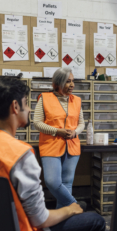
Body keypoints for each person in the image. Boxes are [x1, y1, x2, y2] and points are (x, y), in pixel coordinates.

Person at [0, 77, 105, 231]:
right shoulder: (21, 153)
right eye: (26, 104)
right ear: (15, 107)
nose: (29, 110)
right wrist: (69, 209)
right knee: (96, 221)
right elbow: (40, 219)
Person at [34, 67, 85, 209]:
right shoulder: (44, 98)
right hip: (50, 144)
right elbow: (37, 123)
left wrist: (75, 132)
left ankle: (65, 220)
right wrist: (57, 131)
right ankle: (75, 206)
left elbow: (81, 123)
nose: (72, 85)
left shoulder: (77, 100)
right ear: (58, 83)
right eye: (68, 82)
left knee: (67, 182)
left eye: (73, 81)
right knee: (52, 182)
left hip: (72, 145)